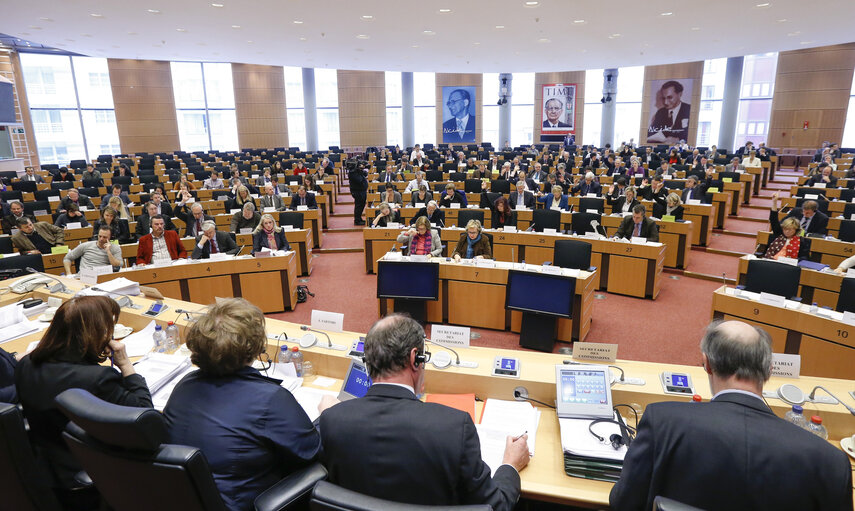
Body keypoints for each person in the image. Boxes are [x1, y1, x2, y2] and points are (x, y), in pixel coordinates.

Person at [610, 320, 853, 511]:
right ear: (769, 370)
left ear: (706, 364)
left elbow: (624, 502)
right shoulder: (831, 463)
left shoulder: (661, 422)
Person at [319, 314, 527, 509]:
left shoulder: (332, 420)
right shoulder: (454, 428)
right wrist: (510, 465)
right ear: (414, 358)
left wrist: (331, 414)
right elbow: (494, 506)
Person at [164, 298, 322, 510]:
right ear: (255, 346)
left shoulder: (185, 385)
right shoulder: (270, 399)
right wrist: (327, 416)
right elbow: (312, 452)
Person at [15, 296, 152, 509]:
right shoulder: (97, 378)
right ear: (95, 334)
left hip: (46, 469)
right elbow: (144, 415)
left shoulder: (25, 365)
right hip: (91, 475)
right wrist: (125, 365)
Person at [764, 194, 810, 261]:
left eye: (790, 230)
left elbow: (805, 257)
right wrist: (774, 202)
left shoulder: (802, 241)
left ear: (796, 230)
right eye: (785, 229)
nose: (787, 231)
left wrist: (794, 261)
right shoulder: (779, 234)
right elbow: (773, 219)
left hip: (788, 265)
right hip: (772, 261)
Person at [349, 161, 368, 225]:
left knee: (362, 205)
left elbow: (365, 174)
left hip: (362, 191)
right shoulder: (352, 173)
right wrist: (360, 171)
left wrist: (361, 170)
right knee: (358, 205)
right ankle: (357, 220)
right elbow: (359, 180)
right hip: (357, 192)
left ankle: (359, 218)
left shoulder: (358, 171)